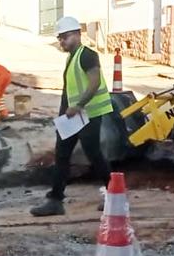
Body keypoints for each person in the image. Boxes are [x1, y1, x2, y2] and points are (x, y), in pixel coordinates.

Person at [31, 16, 114, 217]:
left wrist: (78, 105)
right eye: (60, 38)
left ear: (77, 34)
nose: (62, 42)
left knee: (94, 154)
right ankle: (55, 200)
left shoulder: (87, 55)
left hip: (88, 115)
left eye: (65, 37)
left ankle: (115, 194)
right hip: (73, 117)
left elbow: (94, 83)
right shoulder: (72, 57)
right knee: (62, 154)